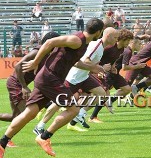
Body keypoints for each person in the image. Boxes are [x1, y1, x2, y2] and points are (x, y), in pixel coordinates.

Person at [0, 18, 104, 157]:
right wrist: (35, 62)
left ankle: (2, 144)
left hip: (46, 79)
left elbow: (75, 62)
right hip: (51, 78)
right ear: (98, 32)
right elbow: (49, 42)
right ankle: (44, 137)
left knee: (29, 113)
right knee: (73, 109)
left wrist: (92, 68)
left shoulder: (82, 43)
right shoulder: (77, 40)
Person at [33, 27, 118, 134]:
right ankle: (40, 126)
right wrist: (100, 67)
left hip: (84, 76)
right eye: (115, 37)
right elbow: (85, 60)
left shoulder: (101, 46)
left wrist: (97, 69)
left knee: (102, 93)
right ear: (108, 36)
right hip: (74, 77)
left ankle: (80, 115)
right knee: (58, 102)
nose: (116, 40)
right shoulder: (96, 45)